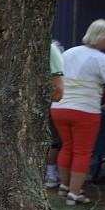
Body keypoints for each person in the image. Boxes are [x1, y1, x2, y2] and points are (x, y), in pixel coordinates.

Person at [51, 19, 105, 204]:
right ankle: (75, 194)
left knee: (67, 147)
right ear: (103, 37)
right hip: (85, 110)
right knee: (83, 152)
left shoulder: (69, 52)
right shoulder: (102, 59)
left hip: (60, 108)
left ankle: (64, 186)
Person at [44, 41, 66, 188]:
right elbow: (58, 93)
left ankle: (51, 174)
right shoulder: (51, 49)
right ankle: (51, 174)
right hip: (53, 106)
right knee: (54, 142)